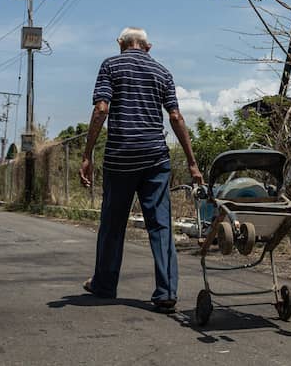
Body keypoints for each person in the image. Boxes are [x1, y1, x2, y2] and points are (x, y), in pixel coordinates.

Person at [79, 27, 203, 312]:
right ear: (148, 47)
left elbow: (101, 109)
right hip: (155, 159)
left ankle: (104, 285)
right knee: (160, 225)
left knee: (112, 224)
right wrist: (192, 162)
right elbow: (175, 116)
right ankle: (166, 292)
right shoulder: (162, 72)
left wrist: (87, 155)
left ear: (121, 44)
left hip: (119, 159)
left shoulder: (111, 65)